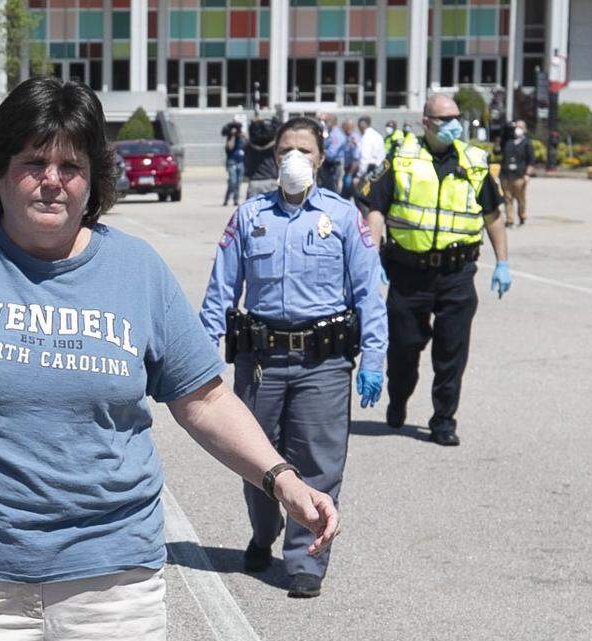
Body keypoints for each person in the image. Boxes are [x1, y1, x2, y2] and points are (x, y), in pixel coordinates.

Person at [0, 77, 338, 638]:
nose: (53, 181)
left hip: (111, 584)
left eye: (71, 167)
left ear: (93, 179)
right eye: (34, 162)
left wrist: (281, 478)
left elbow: (204, 398)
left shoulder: (137, 269)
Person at [200, 116, 386, 599]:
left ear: (322, 158)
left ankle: (306, 558)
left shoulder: (345, 217)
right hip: (260, 361)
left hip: (323, 363)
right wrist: (200, 356)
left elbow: (370, 294)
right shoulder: (249, 215)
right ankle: (264, 533)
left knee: (318, 463)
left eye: (303, 150)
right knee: (254, 460)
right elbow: (220, 289)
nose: (294, 159)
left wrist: (373, 359)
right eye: (286, 150)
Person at [360, 94, 511, 446]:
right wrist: (371, 257)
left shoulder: (474, 162)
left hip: (457, 274)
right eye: (445, 118)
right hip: (408, 273)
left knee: (451, 352)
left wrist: (502, 261)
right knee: (403, 349)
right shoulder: (400, 159)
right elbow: (376, 207)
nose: (453, 124)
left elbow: (493, 216)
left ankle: (443, 420)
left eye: (456, 117)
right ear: (426, 122)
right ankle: (398, 399)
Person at [499, 120, 535, 228]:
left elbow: (531, 161)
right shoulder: (507, 141)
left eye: (520, 127)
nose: (517, 129)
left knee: (520, 198)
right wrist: (510, 125)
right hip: (506, 174)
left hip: (520, 175)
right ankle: (509, 220)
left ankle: (522, 215)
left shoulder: (527, 143)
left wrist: (527, 174)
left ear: (525, 130)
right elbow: (502, 133)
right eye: (516, 127)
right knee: (507, 198)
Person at [243, 117, 279, 197]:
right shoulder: (274, 146)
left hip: (254, 182)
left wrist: (253, 125)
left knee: (251, 208)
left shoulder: (249, 146)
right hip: (271, 181)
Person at [318, 113, 344, 192]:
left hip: (334, 167)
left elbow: (331, 154)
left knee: (333, 190)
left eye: (325, 121)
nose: (324, 123)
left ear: (331, 122)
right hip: (327, 166)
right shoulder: (329, 133)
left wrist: (319, 151)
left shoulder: (336, 135)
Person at [223, 121, 245, 206]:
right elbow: (230, 147)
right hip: (231, 162)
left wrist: (242, 135)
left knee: (238, 182)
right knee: (232, 181)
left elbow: (247, 141)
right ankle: (227, 198)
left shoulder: (241, 137)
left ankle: (236, 200)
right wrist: (232, 136)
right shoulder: (230, 137)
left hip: (240, 161)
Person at [340, 119, 361, 199]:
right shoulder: (348, 138)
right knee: (346, 195)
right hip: (349, 170)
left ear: (348, 127)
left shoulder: (354, 139)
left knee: (352, 195)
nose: (342, 129)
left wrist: (350, 174)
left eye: (343, 127)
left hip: (352, 171)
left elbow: (356, 159)